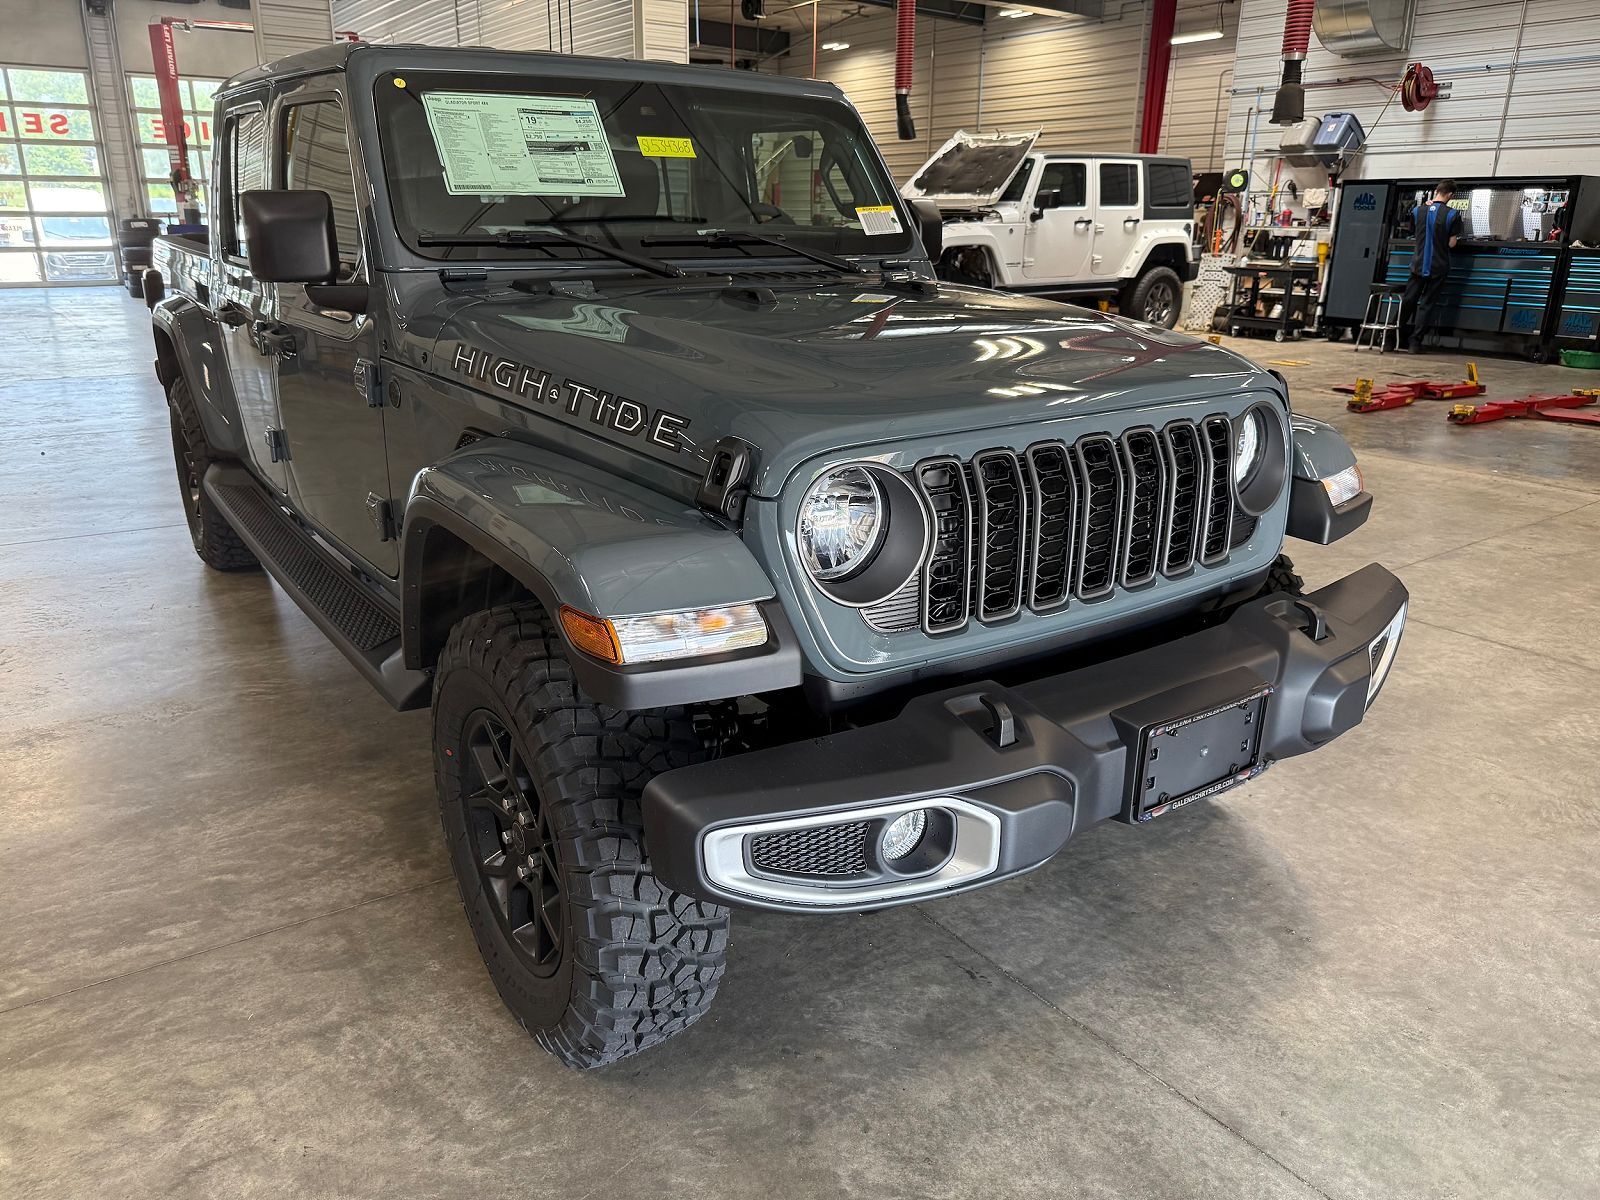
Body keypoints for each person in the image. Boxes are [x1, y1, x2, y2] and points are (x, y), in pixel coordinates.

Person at [1401, 180, 1463, 352]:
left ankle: (1391, 338)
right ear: (1450, 195)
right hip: (1438, 266)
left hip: (1417, 264)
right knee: (1427, 304)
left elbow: (1413, 232)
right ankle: (1415, 343)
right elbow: (1451, 243)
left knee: (1408, 301)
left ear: (1436, 191)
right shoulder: (1453, 215)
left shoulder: (1417, 210)